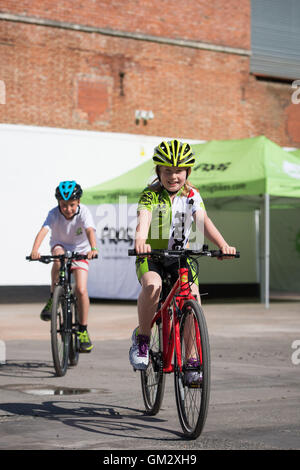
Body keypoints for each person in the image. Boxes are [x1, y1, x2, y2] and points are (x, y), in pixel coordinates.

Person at [129, 140, 236, 381]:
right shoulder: (151, 194)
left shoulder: (192, 195)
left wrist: (223, 245)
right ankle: (142, 340)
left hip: (180, 257)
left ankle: (190, 360)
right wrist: (140, 239)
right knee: (153, 286)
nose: (173, 176)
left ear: (187, 172)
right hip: (152, 256)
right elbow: (143, 219)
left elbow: (203, 221)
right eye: (167, 170)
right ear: (159, 172)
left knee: (193, 298)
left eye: (178, 171)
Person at [30, 180, 98, 353]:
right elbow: (43, 231)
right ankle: (54, 297)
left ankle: (82, 329)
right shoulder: (53, 214)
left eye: (72, 205)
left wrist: (93, 248)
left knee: (81, 290)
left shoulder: (84, 213)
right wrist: (35, 250)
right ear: (58, 203)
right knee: (58, 259)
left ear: (79, 203)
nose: (68, 209)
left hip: (80, 251)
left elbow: (90, 230)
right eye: (64, 205)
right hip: (60, 245)